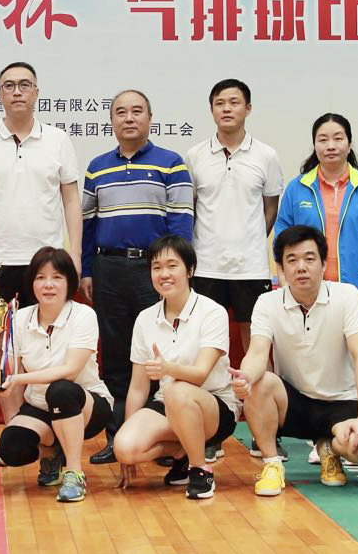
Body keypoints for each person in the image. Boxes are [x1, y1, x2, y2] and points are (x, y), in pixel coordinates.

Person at [81, 89, 193, 444]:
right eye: (121, 112)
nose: (129, 118)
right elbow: (87, 224)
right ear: (111, 120)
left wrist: (174, 270)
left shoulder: (171, 164)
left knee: (157, 354)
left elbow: (181, 223)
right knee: (115, 355)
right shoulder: (97, 167)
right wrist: (87, 270)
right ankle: (118, 437)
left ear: (150, 118)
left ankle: (162, 436)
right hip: (108, 269)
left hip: (152, 270)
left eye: (137, 111)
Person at [235, 226, 358, 497]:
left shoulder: (347, 295)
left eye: (309, 258)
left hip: (340, 401)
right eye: (292, 260)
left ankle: (329, 449)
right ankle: (272, 464)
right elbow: (257, 353)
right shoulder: (267, 302)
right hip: (295, 402)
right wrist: (245, 378)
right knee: (259, 382)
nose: (301, 267)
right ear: (280, 268)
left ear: (324, 263)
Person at [110, 235, 235, 500]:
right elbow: (138, 387)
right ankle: (182, 452)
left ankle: (200, 469)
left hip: (214, 405)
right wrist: (128, 428)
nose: (164, 274)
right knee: (125, 448)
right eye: (156, 267)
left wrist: (167, 369)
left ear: (189, 270)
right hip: (168, 403)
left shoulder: (213, 312)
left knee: (176, 390)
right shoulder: (145, 319)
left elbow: (200, 374)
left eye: (172, 266)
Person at [0, 61, 82, 307]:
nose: (17, 92)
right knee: (1, 331)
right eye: (9, 86)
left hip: (47, 259)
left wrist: (75, 256)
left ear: (36, 92)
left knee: (48, 329)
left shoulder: (58, 140)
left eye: (25, 85)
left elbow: (71, 200)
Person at [0, 247, 111, 503]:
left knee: (60, 389)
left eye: (57, 277)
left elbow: (70, 370)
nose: (48, 284)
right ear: (32, 283)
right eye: (41, 277)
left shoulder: (84, 314)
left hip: (86, 404)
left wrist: (19, 380)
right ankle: (52, 454)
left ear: (69, 282)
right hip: (40, 405)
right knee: (11, 448)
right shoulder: (20, 317)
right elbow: (12, 371)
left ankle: (74, 472)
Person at [272, 113, 358, 305]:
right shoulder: (296, 189)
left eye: (338, 138)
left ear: (349, 145)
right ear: (314, 146)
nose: (331, 146)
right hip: (306, 295)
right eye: (323, 140)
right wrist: (284, 285)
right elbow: (282, 241)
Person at [185, 79, 284, 330]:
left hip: (251, 268)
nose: (226, 109)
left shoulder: (266, 155)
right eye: (219, 103)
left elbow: (271, 209)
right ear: (211, 110)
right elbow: (191, 209)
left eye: (234, 102)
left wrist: (251, 240)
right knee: (204, 336)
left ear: (248, 108)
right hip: (206, 266)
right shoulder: (195, 156)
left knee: (254, 336)